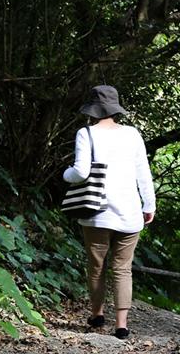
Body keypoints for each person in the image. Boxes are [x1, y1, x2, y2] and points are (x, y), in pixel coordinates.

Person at [63, 85, 156, 340]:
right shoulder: (133, 134)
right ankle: (121, 325)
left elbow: (80, 172)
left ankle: (97, 315)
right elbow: (143, 172)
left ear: (92, 109)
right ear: (115, 108)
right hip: (129, 212)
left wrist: (65, 174)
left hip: (97, 212)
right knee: (122, 268)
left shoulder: (86, 133)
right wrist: (149, 205)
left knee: (96, 267)